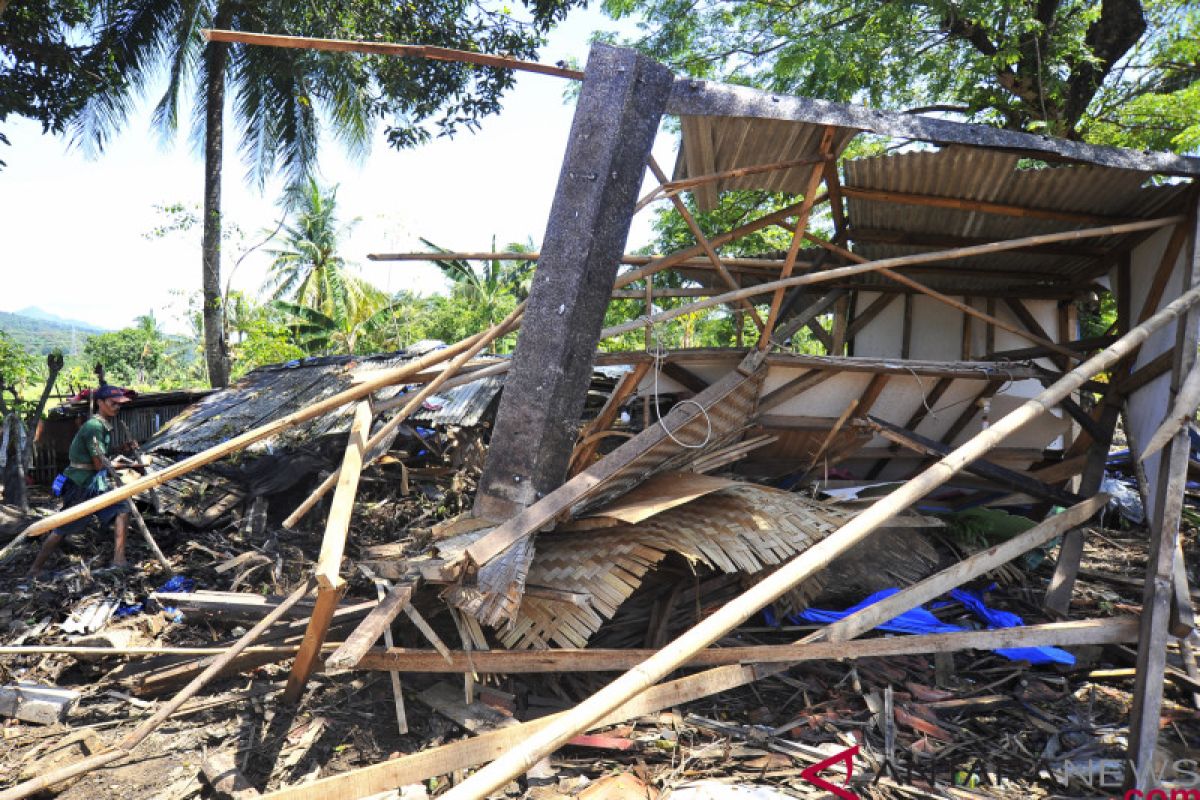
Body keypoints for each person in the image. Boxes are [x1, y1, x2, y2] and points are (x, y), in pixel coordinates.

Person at [26, 385, 142, 579]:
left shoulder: (102, 425)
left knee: (123, 508)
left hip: (93, 485)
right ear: (100, 403)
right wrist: (135, 465)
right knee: (62, 527)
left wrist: (121, 448)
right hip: (81, 486)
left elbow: (99, 456)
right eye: (113, 403)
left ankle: (119, 559)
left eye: (119, 404)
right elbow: (99, 465)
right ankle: (34, 570)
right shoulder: (94, 427)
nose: (117, 407)